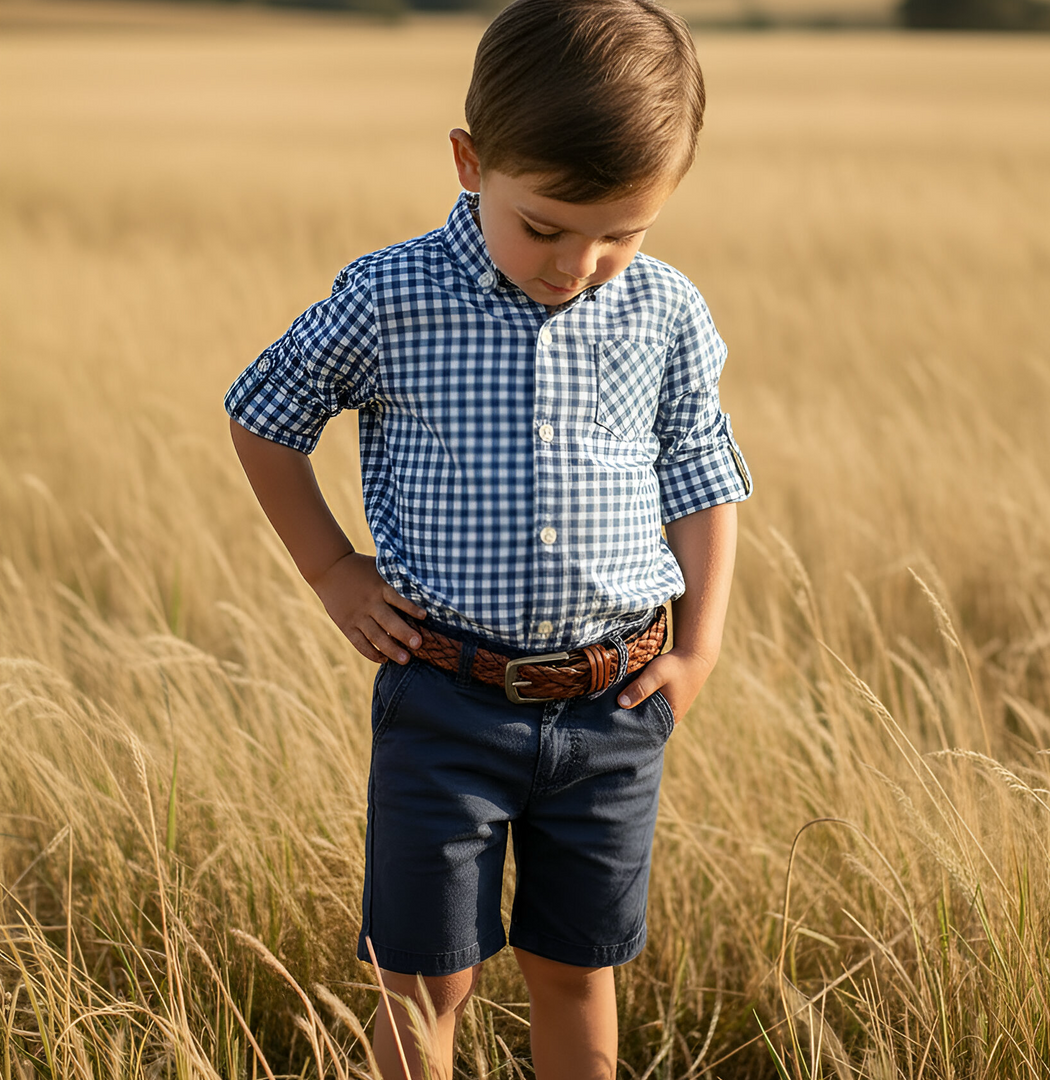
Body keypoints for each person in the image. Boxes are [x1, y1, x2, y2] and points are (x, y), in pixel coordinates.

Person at [225, 1, 752, 1075]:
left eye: (623, 232)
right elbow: (262, 411)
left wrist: (697, 648)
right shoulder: (391, 296)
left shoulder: (665, 312)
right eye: (547, 226)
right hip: (445, 699)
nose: (580, 262)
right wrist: (332, 570)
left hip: (613, 709)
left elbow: (705, 480)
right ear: (472, 162)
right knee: (427, 977)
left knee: (575, 967)